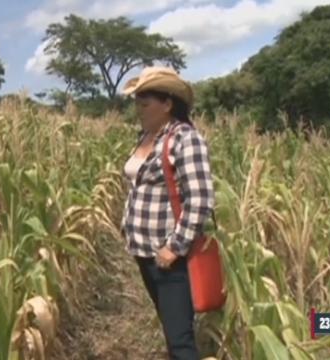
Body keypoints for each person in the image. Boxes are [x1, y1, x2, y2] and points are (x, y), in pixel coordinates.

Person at [120, 67, 215, 360]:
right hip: (145, 251)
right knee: (171, 330)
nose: (138, 109)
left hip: (170, 257)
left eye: (144, 103)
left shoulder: (184, 138)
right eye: (136, 102)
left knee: (180, 340)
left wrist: (174, 247)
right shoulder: (147, 136)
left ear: (167, 103)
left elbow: (200, 199)